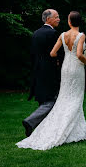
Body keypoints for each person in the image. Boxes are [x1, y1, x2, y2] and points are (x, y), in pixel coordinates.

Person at [17, 11, 86, 150]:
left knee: (63, 98)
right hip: (74, 69)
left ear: (69, 22)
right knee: (74, 98)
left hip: (60, 68)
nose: (59, 19)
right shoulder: (81, 35)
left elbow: (52, 53)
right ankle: (71, 130)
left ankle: (54, 127)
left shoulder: (58, 34)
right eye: (56, 17)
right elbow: (78, 54)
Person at [21, 9, 62, 138]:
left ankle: (42, 132)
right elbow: (57, 54)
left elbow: (33, 54)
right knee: (51, 100)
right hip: (49, 71)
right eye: (56, 17)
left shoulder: (36, 33)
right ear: (48, 19)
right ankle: (30, 121)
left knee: (43, 99)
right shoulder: (53, 34)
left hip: (37, 70)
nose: (58, 19)